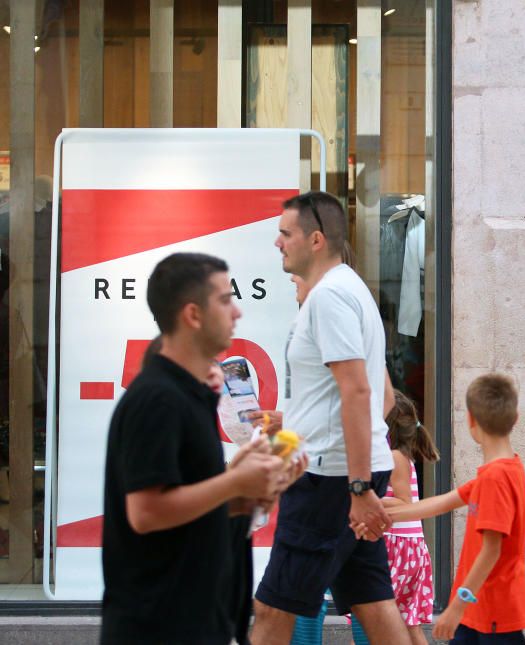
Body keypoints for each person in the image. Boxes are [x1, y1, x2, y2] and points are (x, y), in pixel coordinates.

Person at [101, 252, 287, 644]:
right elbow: (147, 512)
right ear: (193, 315)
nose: (236, 312)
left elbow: (194, 506)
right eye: (224, 299)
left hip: (197, 617)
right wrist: (235, 482)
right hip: (159, 625)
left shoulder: (190, 395)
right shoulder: (157, 399)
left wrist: (253, 494)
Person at [252, 192, 409, 644]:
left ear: (316, 239)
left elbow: (360, 390)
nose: (277, 243)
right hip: (342, 474)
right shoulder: (345, 289)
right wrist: (293, 421)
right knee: (373, 603)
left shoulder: (330, 298)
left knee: (272, 608)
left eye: (285, 233)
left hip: (331, 480)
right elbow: (363, 395)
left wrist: (358, 487)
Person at [359, 373, 525, 644]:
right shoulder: (504, 470)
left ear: (471, 420)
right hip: (476, 608)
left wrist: (457, 605)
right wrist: (368, 510)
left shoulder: (495, 477)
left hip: (492, 609)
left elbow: (492, 549)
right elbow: (433, 505)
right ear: (516, 418)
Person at [379, 389, 440, 644]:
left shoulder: (395, 457)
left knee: (376, 620)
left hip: (398, 547)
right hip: (407, 547)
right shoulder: (399, 456)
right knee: (408, 624)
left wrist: (369, 499)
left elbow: (404, 502)